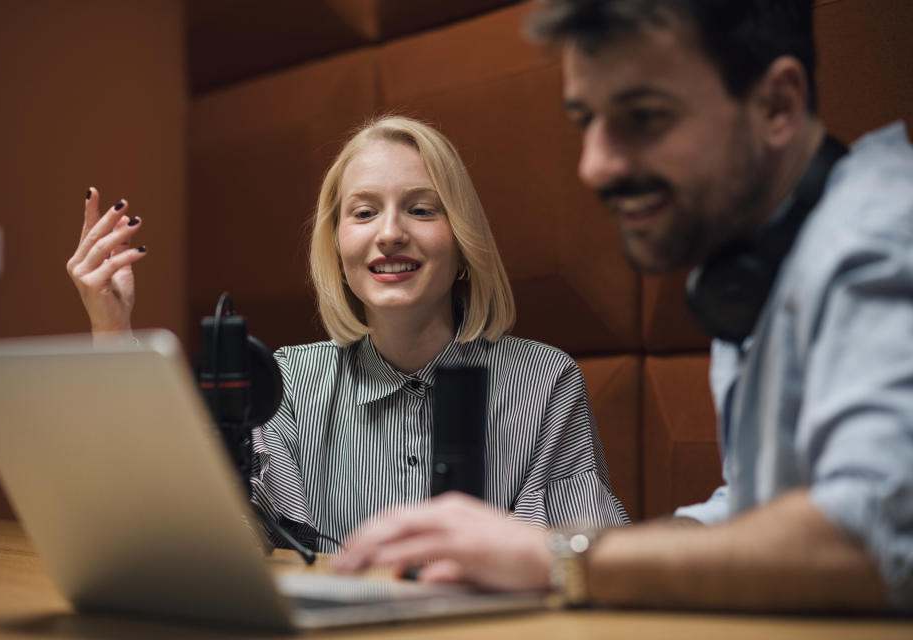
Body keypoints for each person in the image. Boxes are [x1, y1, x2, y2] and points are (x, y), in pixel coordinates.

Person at [337, 1, 913, 613]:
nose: (594, 165)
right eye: (586, 119)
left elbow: (873, 538)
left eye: (643, 117)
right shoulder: (760, 267)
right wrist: (575, 547)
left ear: (775, 105)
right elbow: (753, 512)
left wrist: (560, 560)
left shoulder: (881, 239)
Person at [65, 115, 629, 552]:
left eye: (421, 210)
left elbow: (584, 554)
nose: (390, 234)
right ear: (337, 248)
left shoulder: (544, 383)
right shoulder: (291, 381)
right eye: (363, 213)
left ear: (462, 245)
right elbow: (213, 537)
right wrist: (113, 333)